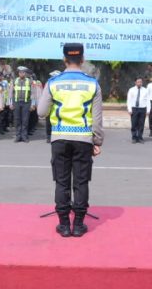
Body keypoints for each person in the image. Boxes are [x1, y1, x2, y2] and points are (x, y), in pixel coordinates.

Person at [37, 43, 103, 238]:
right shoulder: (93, 84)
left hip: (60, 138)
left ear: (64, 59)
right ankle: (79, 224)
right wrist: (97, 141)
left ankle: (64, 224)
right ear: (82, 60)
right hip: (83, 139)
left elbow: (41, 112)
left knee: (62, 182)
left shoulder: (53, 83)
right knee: (81, 182)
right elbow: (97, 119)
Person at [9, 66, 34, 143]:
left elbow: (33, 93)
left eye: (23, 72)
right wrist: (10, 103)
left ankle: (24, 136)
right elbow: (11, 93)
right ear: (18, 73)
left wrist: (33, 104)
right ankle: (18, 136)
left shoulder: (29, 81)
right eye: (20, 72)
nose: (21, 74)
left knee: (25, 120)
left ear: (25, 73)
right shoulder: (14, 81)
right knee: (17, 120)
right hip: (16, 102)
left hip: (26, 103)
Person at [126, 77, 149, 144]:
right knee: (134, 124)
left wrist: (148, 110)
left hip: (142, 108)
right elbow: (129, 100)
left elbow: (148, 100)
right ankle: (134, 137)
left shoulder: (145, 90)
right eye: (138, 82)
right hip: (134, 108)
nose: (139, 83)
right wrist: (129, 109)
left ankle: (140, 137)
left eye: (141, 82)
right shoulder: (131, 90)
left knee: (141, 124)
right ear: (135, 82)